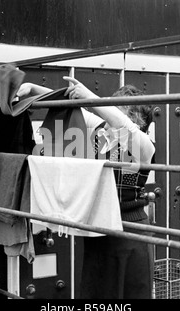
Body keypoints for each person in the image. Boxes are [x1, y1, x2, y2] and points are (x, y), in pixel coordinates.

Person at [16, 76, 155, 299]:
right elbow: (69, 102)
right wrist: (33, 89)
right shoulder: (101, 130)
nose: (107, 112)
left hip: (130, 233)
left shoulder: (144, 145)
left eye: (116, 108)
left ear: (136, 119)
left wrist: (92, 97)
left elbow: (123, 127)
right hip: (99, 228)